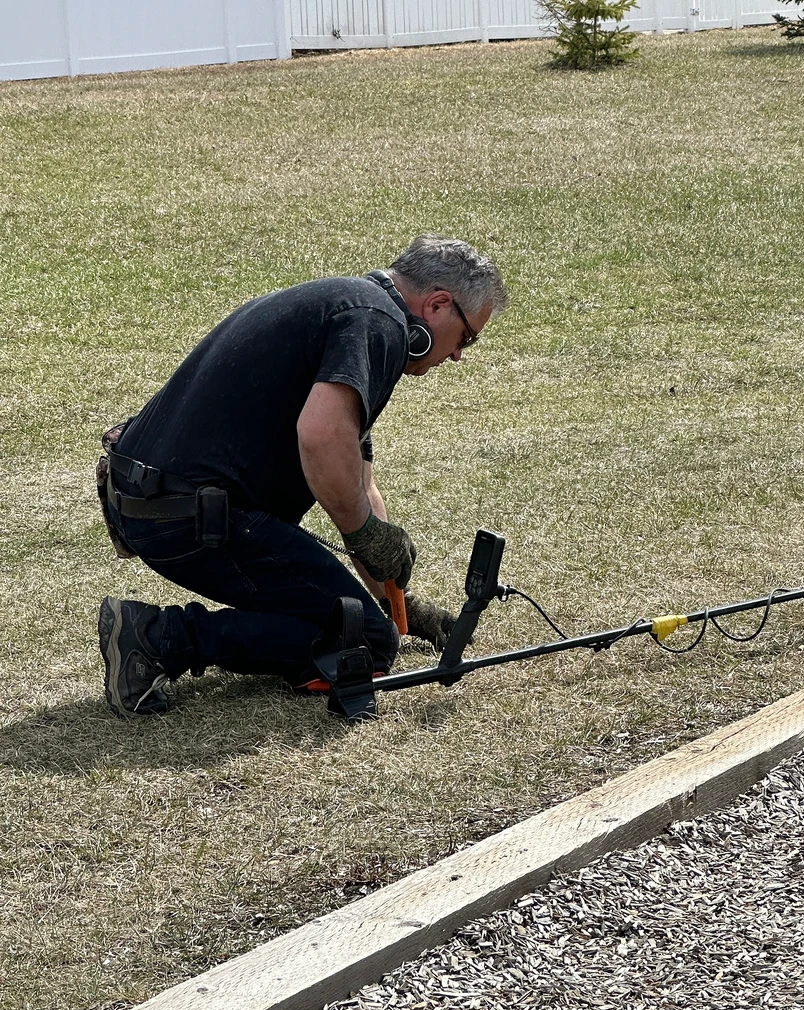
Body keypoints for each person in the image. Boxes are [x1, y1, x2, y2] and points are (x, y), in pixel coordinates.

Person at [97, 234, 509, 717]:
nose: (460, 355)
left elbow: (355, 476)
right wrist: (367, 537)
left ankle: (160, 636)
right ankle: (158, 638)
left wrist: (395, 598)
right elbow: (322, 437)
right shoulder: (377, 324)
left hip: (147, 500)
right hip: (189, 517)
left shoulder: (351, 305)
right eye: (467, 338)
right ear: (438, 305)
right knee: (366, 645)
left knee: (357, 619)